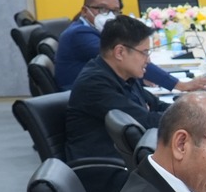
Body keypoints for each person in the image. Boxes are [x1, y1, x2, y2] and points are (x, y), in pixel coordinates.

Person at [54, 0, 206, 92]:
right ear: (84, 11)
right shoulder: (79, 34)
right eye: (102, 9)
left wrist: (140, 76)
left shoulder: (88, 30)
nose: (109, 15)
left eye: (115, 11)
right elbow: (124, 58)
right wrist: (180, 85)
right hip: (83, 97)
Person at [65, 15, 171, 162]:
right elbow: (146, 122)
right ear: (120, 52)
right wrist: (190, 118)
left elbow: (157, 105)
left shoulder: (125, 75)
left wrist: (192, 110)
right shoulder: (95, 84)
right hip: (107, 166)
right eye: (144, 52)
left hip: (130, 156)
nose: (148, 60)